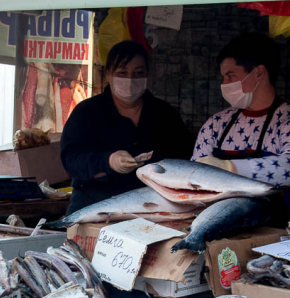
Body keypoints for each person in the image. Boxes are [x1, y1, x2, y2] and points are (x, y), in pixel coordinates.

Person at [60, 40, 192, 214]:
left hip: (152, 209)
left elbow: (184, 158)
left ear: (147, 75)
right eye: (122, 73)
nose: (130, 79)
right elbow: (71, 159)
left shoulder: (164, 114)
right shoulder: (87, 112)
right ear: (109, 73)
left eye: (138, 73)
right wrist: (108, 162)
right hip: (94, 208)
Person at [192, 32, 290, 188]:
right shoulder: (216, 124)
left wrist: (230, 167)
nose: (224, 84)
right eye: (223, 77)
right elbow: (195, 177)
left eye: (230, 76)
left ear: (259, 73)